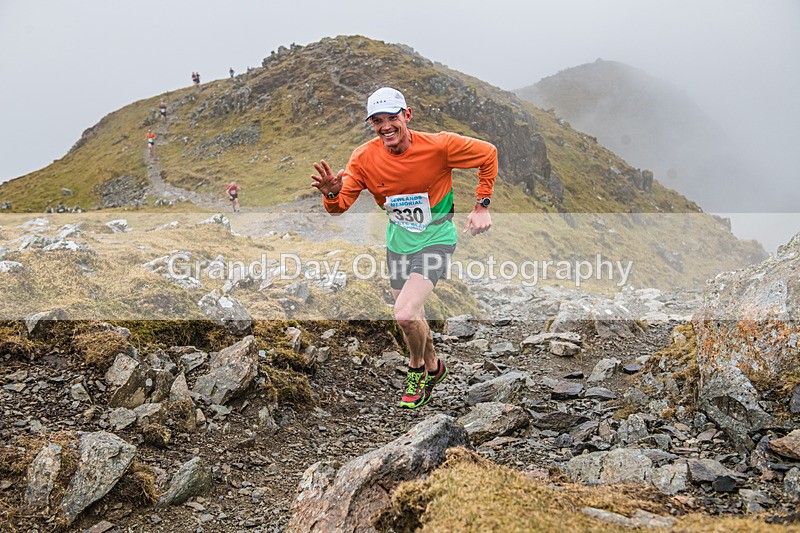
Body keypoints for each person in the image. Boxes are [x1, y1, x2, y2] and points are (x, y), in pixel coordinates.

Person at [311, 87, 497, 409]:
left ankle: (415, 370)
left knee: (405, 314)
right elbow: (340, 207)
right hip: (398, 241)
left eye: (392, 118)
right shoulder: (363, 158)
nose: (385, 127)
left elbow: (488, 154)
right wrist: (329, 194)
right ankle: (435, 365)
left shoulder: (440, 146)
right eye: (377, 121)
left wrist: (481, 205)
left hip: (436, 237)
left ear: (406, 116)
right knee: (414, 315)